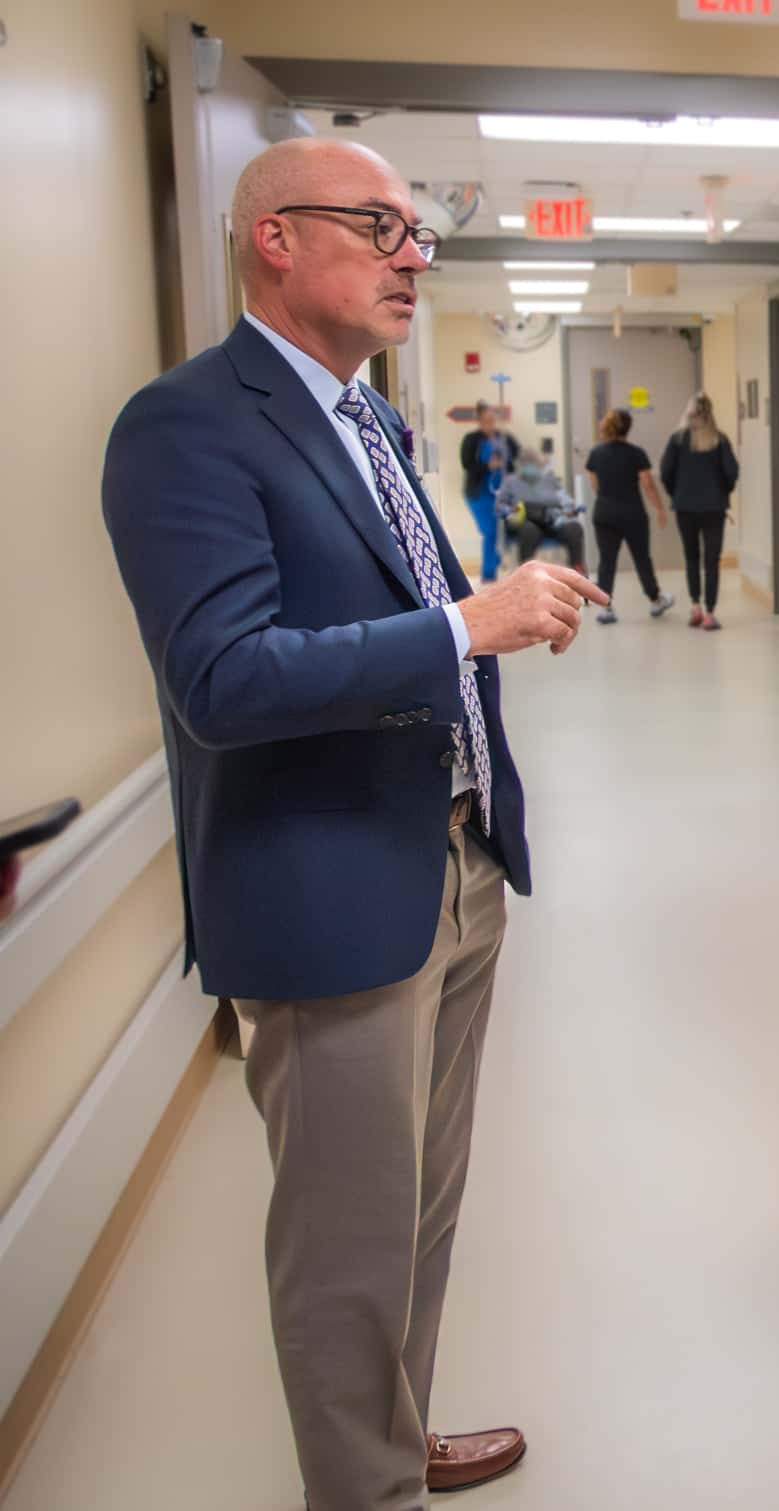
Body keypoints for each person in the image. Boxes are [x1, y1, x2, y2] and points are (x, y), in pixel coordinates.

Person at [100, 137, 608, 1511]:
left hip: (451, 860)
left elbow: (403, 612)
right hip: (327, 888)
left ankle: (393, 1431)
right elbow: (221, 676)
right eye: (381, 226)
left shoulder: (369, 419)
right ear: (276, 237)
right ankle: (362, 1487)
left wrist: (503, 603)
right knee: (343, 1245)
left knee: (419, 1216)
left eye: (418, 231)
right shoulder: (185, 425)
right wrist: (463, 619)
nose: (412, 255)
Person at [660, 393, 739, 629]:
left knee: (691, 557)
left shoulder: (677, 440)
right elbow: (732, 472)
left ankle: (695, 607)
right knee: (712, 560)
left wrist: (677, 493)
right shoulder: (719, 439)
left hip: (685, 507)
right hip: (714, 508)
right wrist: (721, 492)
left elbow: (666, 473)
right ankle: (710, 614)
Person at [587, 408, 672, 623]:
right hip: (632, 514)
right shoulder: (636, 453)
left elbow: (595, 485)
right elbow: (648, 485)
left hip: (604, 513)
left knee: (607, 560)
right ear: (628, 428)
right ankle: (655, 600)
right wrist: (660, 508)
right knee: (642, 557)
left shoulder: (596, 454)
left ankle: (605, 608)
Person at [458, 400, 517, 584]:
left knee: (510, 531)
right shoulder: (471, 440)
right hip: (479, 494)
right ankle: (488, 575)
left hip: (502, 493)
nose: (490, 423)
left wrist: (503, 461)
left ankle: (496, 559)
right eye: (486, 419)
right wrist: (488, 465)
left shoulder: (504, 438)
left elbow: (514, 459)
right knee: (490, 532)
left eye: (493, 419)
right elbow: (467, 464)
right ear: (480, 421)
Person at [496, 448, 586, 570]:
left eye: (533, 464)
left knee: (574, 528)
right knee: (529, 530)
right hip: (526, 522)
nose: (531, 467)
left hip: (551, 520)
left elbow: (565, 500)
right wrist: (510, 511)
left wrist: (571, 508)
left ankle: (577, 570)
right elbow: (500, 506)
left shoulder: (549, 480)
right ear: (520, 465)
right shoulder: (510, 482)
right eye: (527, 464)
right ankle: (527, 572)